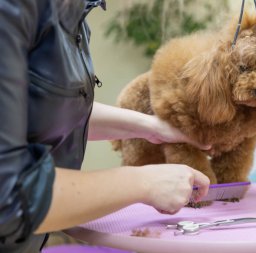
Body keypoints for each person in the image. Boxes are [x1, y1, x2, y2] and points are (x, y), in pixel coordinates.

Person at [0, 1, 210, 252]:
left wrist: (151, 127)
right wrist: (143, 182)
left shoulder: (75, 14)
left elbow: (46, 109)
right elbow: (9, 197)